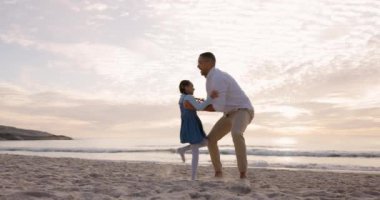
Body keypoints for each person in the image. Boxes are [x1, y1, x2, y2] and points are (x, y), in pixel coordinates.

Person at [195, 52, 254, 179]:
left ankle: (243, 174)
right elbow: (211, 102)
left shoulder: (218, 78)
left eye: (200, 63)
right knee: (210, 140)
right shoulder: (210, 80)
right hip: (228, 114)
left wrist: (197, 107)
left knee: (236, 133)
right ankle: (218, 173)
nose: (198, 66)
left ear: (209, 63)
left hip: (243, 110)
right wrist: (198, 102)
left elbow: (218, 106)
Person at [176, 80, 217, 180]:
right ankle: (193, 178)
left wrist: (202, 100)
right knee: (196, 149)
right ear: (186, 87)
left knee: (205, 142)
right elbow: (199, 107)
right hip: (192, 123)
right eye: (192, 86)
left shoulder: (182, 98)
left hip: (188, 123)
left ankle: (182, 150)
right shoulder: (188, 97)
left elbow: (194, 105)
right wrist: (210, 97)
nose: (194, 88)